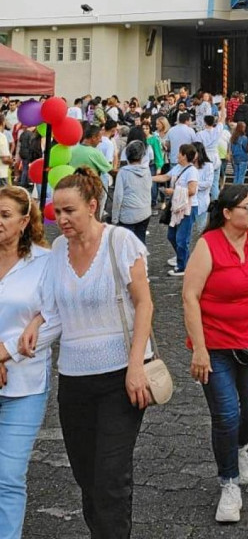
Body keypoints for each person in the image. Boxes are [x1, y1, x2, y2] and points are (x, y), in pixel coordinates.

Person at [21, 168, 153, 538]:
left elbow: (144, 305)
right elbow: (53, 308)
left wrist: (135, 365)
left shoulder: (121, 242)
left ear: (92, 206)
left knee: (111, 476)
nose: (60, 219)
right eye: (56, 212)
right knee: (85, 474)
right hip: (75, 380)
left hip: (120, 378)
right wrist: (35, 323)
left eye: (69, 211)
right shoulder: (59, 249)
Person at [182, 185, 248, 524]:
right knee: (225, 415)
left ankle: (238, 446)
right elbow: (190, 296)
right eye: (247, 207)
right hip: (217, 346)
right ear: (227, 212)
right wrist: (200, 350)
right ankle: (229, 482)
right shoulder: (208, 245)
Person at [0, 186, 58, 539]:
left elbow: (54, 317)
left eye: (5, 215)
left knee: (8, 475)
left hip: (25, 384)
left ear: (24, 221)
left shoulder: (45, 262)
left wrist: (5, 353)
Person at [153, 143, 213, 277]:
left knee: (182, 238)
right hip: (178, 206)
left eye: (179, 153)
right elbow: (165, 177)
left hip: (188, 207)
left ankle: (183, 266)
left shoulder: (192, 171)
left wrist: (173, 191)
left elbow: (192, 190)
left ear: (185, 156)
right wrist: (148, 178)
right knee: (171, 235)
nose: (177, 155)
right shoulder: (178, 168)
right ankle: (183, 258)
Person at [111, 140, 152, 244]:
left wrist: (114, 218)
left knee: (126, 245)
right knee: (141, 241)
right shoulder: (147, 171)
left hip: (128, 215)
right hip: (145, 212)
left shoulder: (123, 172)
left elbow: (118, 196)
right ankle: (142, 259)